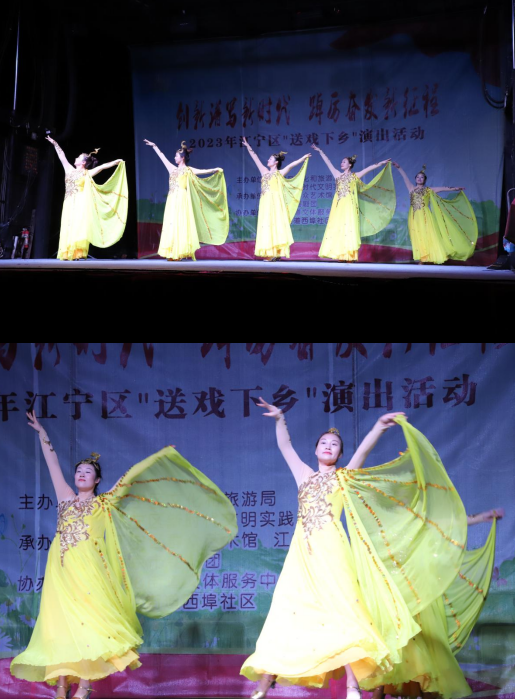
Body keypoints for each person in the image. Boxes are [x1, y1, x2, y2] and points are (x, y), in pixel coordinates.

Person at [241, 401, 487, 699]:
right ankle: (265, 682)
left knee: (344, 614)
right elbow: (285, 447)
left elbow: (363, 452)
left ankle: (352, 685)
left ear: (339, 455)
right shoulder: (303, 474)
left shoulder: (343, 476)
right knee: (285, 611)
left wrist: (379, 427)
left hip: (333, 552)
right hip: (301, 556)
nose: (328, 446)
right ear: (316, 450)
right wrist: (280, 418)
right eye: (324, 442)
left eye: (334, 444)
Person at [11, 411, 237, 698]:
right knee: (59, 625)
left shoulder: (104, 504)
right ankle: (61, 683)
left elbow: (131, 478)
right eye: (79, 471)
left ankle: (84, 685)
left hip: (90, 573)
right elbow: (52, 463)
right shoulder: (65, 499)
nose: (81, 474)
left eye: (88, 472)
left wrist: (159, 458)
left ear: (97, 480)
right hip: (62, 571)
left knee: (88, 625)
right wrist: (42, 433)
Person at [144, 139, 228, 260]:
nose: (174, 158)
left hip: (182, 199)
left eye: (176, 156)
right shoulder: (172, 169)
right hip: (171, 199)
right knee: (171, 224)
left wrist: (214, 169)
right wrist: (154, 146)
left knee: (180, 224)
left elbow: (202, 171)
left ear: (182, 157)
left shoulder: (188, 170)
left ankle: (179, 252)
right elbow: (162, 156)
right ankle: (172, 252)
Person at [46, 137, 128, 260]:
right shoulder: (69, 169)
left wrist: (116, 162)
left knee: (77, 226)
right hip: (68, 202)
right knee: (68, 225)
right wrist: (54, 143)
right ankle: (67, 252)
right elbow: (61, 155)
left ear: (83, 162)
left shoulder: (87, 173)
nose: (76, 158)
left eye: (79, 157)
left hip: (80, 204)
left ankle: (77, 253)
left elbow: (103, 167)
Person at [311, 146, 395, 261]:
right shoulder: (337, 175)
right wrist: (320, 151)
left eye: (344, 162)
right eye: (342, 162)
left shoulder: (355, 176)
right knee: (339, 228)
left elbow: (369, 169)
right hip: (338, 206)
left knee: (349, 228)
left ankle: (349, 255)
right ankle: (341, 255)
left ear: (350, 164)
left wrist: (381, 163)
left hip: (350, 206)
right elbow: (328, 162)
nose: (341, 163)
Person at [393, 162, 477, 264]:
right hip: (414, 217)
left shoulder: (428, 190)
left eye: (422, 177)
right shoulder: (411, 189)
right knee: (417, 236)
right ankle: (422, 258)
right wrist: (399, 168)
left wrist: (455, 188)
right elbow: (405, 177)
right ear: (415, 179)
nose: (419, 179)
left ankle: (427, 258)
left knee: (427, 235)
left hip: (425, 216)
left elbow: (443, 188)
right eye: (418, 177)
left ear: (424, 180)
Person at [242, 137, 310, 259]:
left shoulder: (280, 173)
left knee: (275, 226)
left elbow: (292, 165)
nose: (268, 160)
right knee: (266, 226)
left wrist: (303, 158)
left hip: (275, 203)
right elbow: (255, 158)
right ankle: (270, 252)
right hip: (265, 203)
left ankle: (276, 252)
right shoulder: (264, 171)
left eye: (270, 159)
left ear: (276, 162)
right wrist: (248, 146)